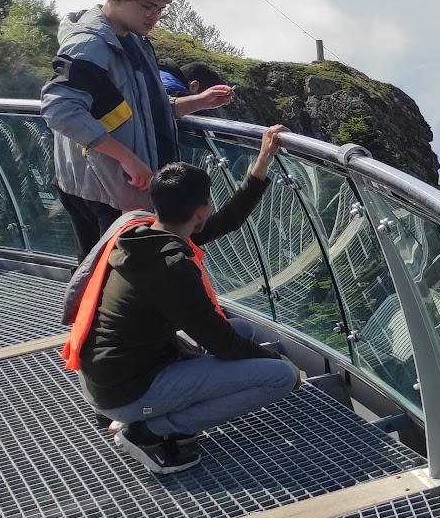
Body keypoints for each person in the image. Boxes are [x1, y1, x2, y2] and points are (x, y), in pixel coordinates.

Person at [61, 124, 301, 475]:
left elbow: (227, 221)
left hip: (110, 374)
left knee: (244, 328)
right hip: (127, 391)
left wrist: (262, 160)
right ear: (201, 210)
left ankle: (146, 416)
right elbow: (223, 344)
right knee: (278, 375)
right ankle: (147, 431)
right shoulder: (171, 268)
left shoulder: (142, 233)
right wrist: (283, 364)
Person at [41, 0, 236, 259]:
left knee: (104, 275)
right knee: (113, 278)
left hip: (114, 186)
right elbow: (59, 108)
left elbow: (140, 112)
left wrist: (198, 102)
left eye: (160, 10)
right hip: (104, 189)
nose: (154, 16)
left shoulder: (131, 41)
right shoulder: (90, 43)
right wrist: (127, 158)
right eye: (147, 6)